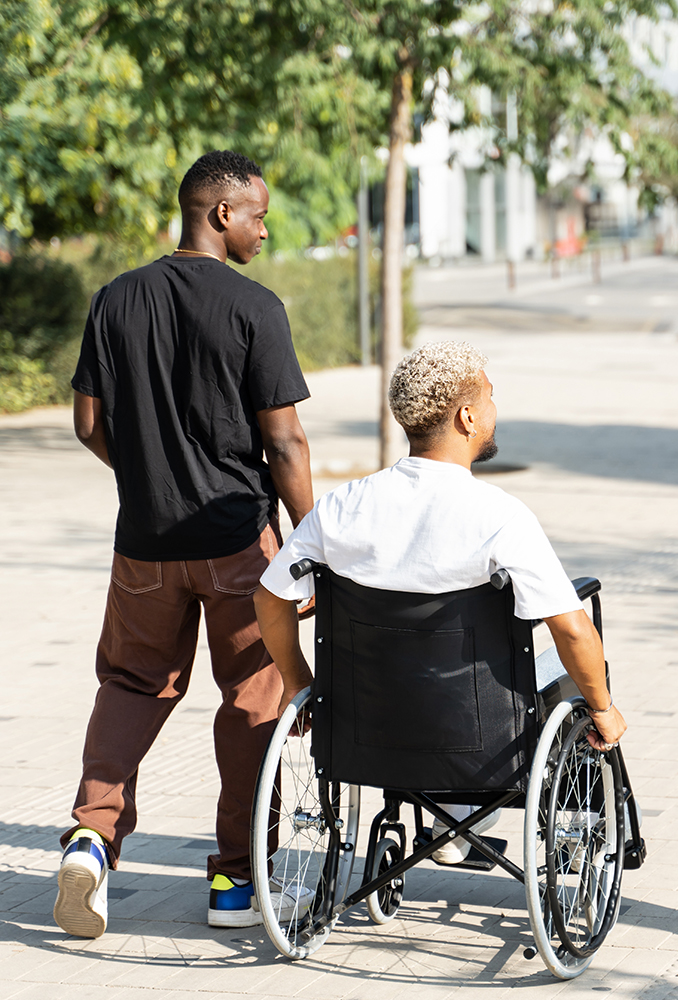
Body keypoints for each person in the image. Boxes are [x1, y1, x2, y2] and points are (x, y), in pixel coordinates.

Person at [55, 150, 314, 938]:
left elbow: (88, 424)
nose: (265, 229)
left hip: (143, 543)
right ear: (221, 213)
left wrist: (147, 478)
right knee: (253, 695)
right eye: (258, 214)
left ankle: (92, 840)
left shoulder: (115, 299)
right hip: (239, 541)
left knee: (131, 687)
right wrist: (315, 546)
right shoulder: (254, 308)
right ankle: (236, 880)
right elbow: (287, 447)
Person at [254, 341, 627, 864]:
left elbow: (270, 596)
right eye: (491, 399)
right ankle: (477, 820)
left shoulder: (341, 507)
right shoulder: (500, 517)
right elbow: (570, 631)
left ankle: (446, 824)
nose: (496, 411)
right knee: (582, 673)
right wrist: (605, 709)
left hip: (367, 728)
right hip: (477, 739)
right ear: (467, 416)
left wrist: (297, 681)